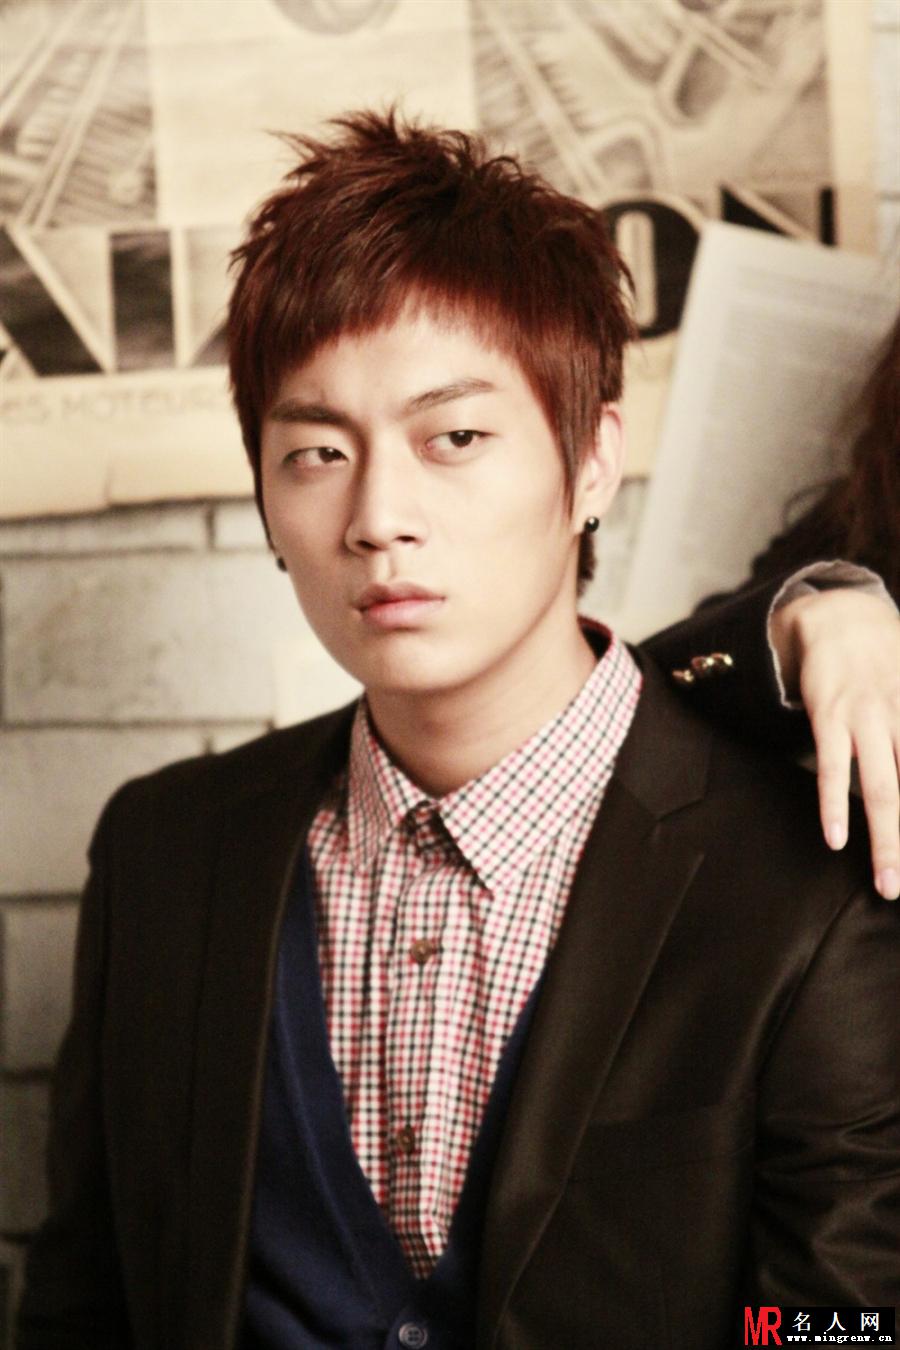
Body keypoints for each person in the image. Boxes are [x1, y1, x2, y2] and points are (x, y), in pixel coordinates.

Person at [17, 111, 900, 1350]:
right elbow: (83, 1307)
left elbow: (842, 1331)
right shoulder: (163, 854)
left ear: (591, 462)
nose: (379, 516)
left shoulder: (808, 885)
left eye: (456, 438)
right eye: (316, 452)